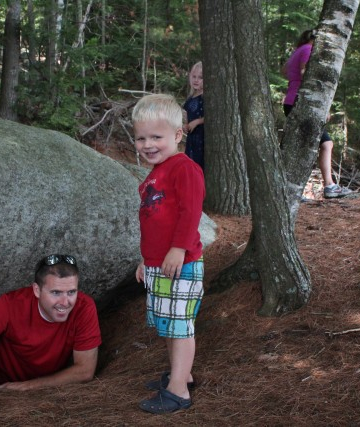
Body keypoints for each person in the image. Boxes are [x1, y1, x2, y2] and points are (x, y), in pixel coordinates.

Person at [131, 94, 205, 414]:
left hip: (181, 263)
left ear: (177, 135)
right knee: (168, 323)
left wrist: (178, 249)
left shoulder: (183, 168)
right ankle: (181, 374)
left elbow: (191, 213)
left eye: (156, 137)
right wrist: (145, 260)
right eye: (141, 137)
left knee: (180, 324)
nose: (148, 144)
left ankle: (178, 393)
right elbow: (153, 222)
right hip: (159, 264)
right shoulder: (154, 173)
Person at [0, 254, 101, 400]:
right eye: (56, 293)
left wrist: (27, 386)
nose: (66, 302)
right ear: (37, 290)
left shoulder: (83, 308)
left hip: (45, 386)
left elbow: (85, 370)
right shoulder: (11, 305)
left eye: (72, 292)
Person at [283, 29, 353, 199]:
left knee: (304, 145)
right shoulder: (307, 50)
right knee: (326, 143)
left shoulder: (297, 51)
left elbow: (286, 72)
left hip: (293, 102)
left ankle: (291, 189)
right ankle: (329, 186)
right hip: (301, 103)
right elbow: (304, 73)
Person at [182, 61, 205, 173]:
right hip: (192, 139)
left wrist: (197, 122)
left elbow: (212, 117)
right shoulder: (191, 98)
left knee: (199, 166)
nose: (196, 80)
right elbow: (188, 117)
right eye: (194, 76)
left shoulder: (204, 97)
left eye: (200, 77)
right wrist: (186, 126)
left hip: (202, 138)